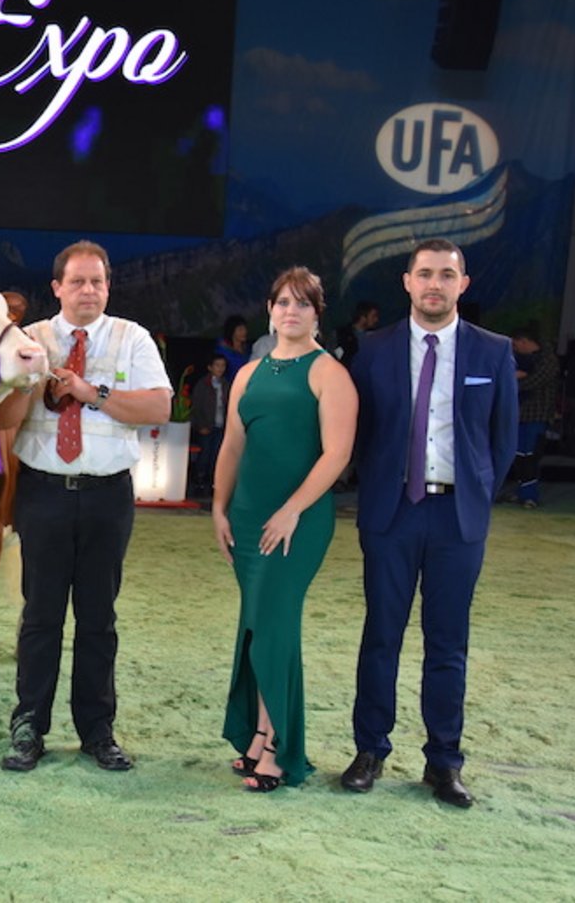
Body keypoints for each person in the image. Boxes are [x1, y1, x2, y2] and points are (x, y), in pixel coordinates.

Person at [342, 239, 517, 808]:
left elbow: (504, 440)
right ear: (407, 282)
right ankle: (370, 750)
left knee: (448, 644)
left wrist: (476, 495)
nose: (435, 284)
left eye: (447, 274)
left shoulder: (493, 352)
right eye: (425, 274)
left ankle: (444, 761)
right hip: (392, 515)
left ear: (463, 284)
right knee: (381, 637)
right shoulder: (373, 349)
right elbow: (360, 434)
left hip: (457, 518)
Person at [1, 240, 171, 772]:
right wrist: (32, 381)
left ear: (108, 286)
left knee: (99, 617)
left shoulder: (132, 338)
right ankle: (29, 725)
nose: (88, 291)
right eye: (77, 281)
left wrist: (90, 391)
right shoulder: (30, 340)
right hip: (44, 492)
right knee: (41, 616)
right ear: (56, 288)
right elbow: (4, 421)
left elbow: (158, 406)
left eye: (97, 281)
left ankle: (98, 731)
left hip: (107, 495)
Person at [212, 267, 357, 792]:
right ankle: (256, 732)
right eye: (281, 303)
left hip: (297, 522)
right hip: (248, 520)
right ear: (269, 310)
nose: (290, 312)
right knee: (255, 624)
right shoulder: (250, 373)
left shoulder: (328, 374)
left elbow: (337, 454)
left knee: (273, 625)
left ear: (318, 313)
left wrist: (294, 508)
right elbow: (232, 445)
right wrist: (219, 508)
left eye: (302, 304)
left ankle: (279, 747)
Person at [510, 326, 558, 509]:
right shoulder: (529, 359)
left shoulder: (547, 361)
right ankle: (524, 492)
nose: (515, 348)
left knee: (529, 456)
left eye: (516, 344)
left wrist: (512, 380)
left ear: (524, 341)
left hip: (536, 415)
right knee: (519, 455)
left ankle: (530, 495)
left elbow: (534, 381)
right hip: (521, 414)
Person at [189, 354, 229, 496]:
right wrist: (200, 425)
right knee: (204, 455)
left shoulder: (225, 384)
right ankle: (199, 481)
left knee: (216, 455)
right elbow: (196, 406)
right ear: (210, 367)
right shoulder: (203, 384)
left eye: (223, 366)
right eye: (217, 365)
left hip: (220, 425)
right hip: (206, 425)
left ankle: (212, 483)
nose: (220, 369)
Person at [334, 301, 380, 369]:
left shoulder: (375, 336)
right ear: (363, 317)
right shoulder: (342, 335)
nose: (376, 320)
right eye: (373, 316)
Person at [215, 315, 251, 380]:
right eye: (240, 330)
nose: (244, 332)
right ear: (232, 331)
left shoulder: (247, 348)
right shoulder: (222, 350)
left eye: (245, 329)